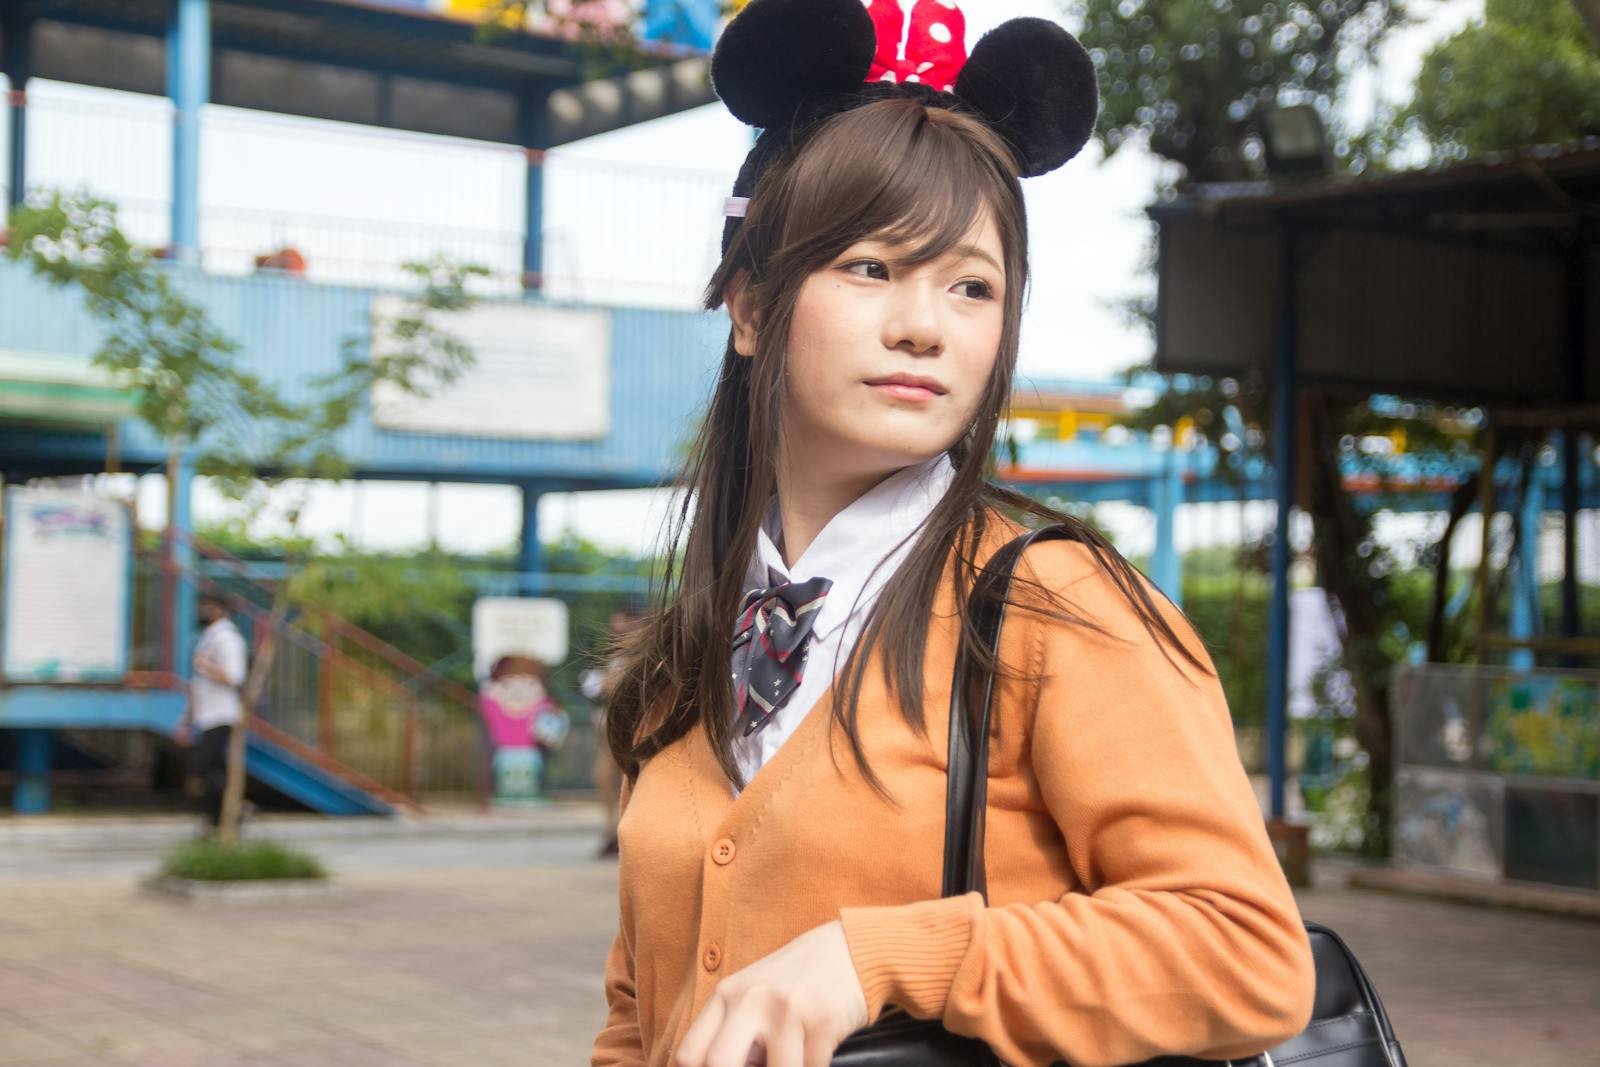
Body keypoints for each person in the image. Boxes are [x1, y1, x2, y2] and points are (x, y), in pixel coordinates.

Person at [592, 2, 1317, 1065]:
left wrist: (882, 955)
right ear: (750, 306)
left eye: (971, 284)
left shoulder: (1051, 605)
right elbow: (635, 1011)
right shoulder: (685, 654)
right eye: (871, 268)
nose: (923, 325)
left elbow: (1247, 950)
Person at [176, 593, 248, 831]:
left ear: (221, 610)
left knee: (203, 767)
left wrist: (207, 666)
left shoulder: (228, 640)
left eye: (208, 607)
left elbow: (235, 677)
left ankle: (234, 809)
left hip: (221, 714)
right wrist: (186, 720)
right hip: (206, 715)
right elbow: (198, 685)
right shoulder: (209, 638)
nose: (202, 611)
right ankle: (219, 821)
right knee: (213, 768)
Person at [583, 605, 643, 858]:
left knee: (627, 779)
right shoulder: (616, 658)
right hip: (611, 731)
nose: (619, 635)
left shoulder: (644, 658)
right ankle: (611, 830)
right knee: (604, 778)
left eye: (625, 630)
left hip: (634, 730)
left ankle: (626, 832)